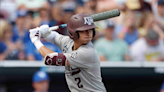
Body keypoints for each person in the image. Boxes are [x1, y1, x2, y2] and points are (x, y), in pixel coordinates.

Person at [29, 13, 107, 92]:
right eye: (83, 30)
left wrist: (36, 41)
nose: (88, 33)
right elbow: (54, 37)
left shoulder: (88, 52)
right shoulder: (68, 42)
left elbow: (51, 58)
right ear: (73, 32)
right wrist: (44, 32)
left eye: (90, 29)